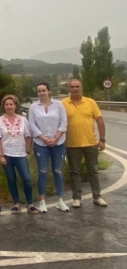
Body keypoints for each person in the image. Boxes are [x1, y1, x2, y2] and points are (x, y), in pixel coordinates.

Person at [63, 79, 107, 208]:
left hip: (91, 143)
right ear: (69, 89)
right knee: (74, 172)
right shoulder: (63, 104)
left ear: (81, 88)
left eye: (77, 86)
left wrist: (102, 140)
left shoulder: (90, 102)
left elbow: (100, 121)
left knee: (93, 170)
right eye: (72, 87)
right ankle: (76, 198)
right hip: (71, 144)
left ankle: (97, 197)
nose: (75, 89)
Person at [0, 95, 38, 214]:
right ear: (4, 106)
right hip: (7, 155)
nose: (9, 106)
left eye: (11, 104)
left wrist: (27, 150)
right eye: (6, 104)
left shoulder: (23, 119)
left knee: (27, 179)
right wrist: (1, 155)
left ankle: (30, 203)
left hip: (20, 154)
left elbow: (29, 135)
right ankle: (16, 204)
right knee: (11, 180)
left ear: (15, 106)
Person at [29, 82, 69, 212]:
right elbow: (32, 125)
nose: (41, 93)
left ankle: (60, 200)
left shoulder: (59, 105)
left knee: (57, 170)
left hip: (58, 143)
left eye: (43, 90)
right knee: (43, 171)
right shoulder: (33, 107)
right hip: (41, 144)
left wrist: (56, 138)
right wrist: (44, 138)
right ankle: (42, 201)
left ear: (48, 91)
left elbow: (63, 123)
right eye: (39, 91)